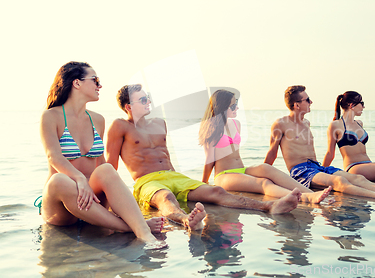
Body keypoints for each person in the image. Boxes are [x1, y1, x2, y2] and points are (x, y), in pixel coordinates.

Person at [105, 85, 299, 232]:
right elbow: (110, 166)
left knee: (216, 191)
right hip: (146, 180)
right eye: (143, 99)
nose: (148, 101)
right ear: (128, 106)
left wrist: (180, 178)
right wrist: (112, 201)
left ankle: (269, 206)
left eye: (148, 98)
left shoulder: (159, 123)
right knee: (166, 197)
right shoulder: (120, 126)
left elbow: (166, 156)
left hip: (174, 176)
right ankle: (185, 220)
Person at [40, 62, 164, 246]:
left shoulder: (97, 120)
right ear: (77, 83)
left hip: (92, 202)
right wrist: (80, 179)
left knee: (106, 168)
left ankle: (143, 233)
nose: (100, 86)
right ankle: (135, 227)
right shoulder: (51, 116)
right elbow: (54, 157)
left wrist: (121, 208)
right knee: (59, 180)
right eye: (95, 80)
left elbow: (103, 169)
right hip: (62, 208)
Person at [265, 85, 375, 201]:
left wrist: (323, 169)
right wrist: (263, 174)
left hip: (316, 167)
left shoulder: (306, 123)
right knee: (339, 182)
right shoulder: (280, 124)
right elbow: (272, 153)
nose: (311, 102)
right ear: (297, 104)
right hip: (300, 171)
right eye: (307, 100)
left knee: (358, 178)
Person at [199, 89, 332, 204]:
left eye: (237, 104)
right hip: (224, 175)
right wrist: (204, 184)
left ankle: (312, 193)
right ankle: (305, 198)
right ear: (221, 107)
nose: (237, 108)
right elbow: (209, 160)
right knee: (264, 183)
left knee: (266, 168)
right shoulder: (212, 129)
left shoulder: (236, 124)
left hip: (241, 170)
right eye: (233, 106)